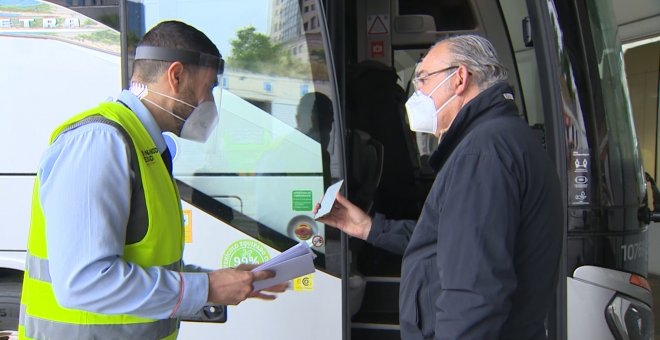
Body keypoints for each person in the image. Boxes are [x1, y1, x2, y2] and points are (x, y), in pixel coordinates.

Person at [19, 20, 286, 340]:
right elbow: (85, 282)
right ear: (176, 75)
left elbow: (142, 264)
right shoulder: (100, 141)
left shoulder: (143, 146)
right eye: (210, 87)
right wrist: (208, 288)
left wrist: (217, 282)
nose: (210, 103)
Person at [316, 34, 563, 339]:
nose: (416, 93)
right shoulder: (501, 139)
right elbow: (450, 243)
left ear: (459, 78)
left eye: (422, 79)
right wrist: (369, 228)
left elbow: (472, 295)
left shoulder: (481, 153)